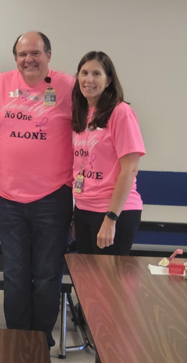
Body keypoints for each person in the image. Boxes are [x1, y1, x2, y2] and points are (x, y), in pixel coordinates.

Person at [0, 31, 74, 347]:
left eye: (35, 53)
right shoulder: (0, 84)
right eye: (23, 54)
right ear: (15, 58)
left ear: (49, 55)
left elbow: (101, 109)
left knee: (47, 276)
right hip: (9, 198)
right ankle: (18, 340)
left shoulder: (68, 86)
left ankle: (40, 341)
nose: (29, 59)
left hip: (53, 197)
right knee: (14, 276)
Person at [71, 51, 145, 255]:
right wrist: (79, 211)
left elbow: (130, 169)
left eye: (97, 74)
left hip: (112, 211)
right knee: (86, 282)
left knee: (107, 284)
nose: (89, 80)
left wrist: (111, 218)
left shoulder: (120, 112)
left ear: (109, 80)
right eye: (84, 73)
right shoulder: (82, 114)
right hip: (84, 208)